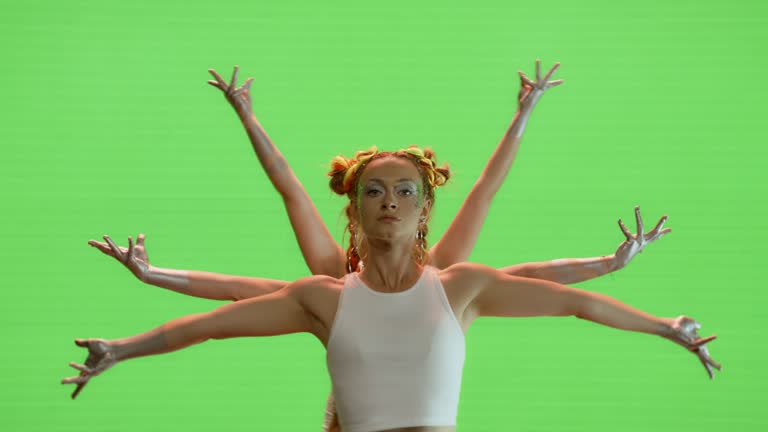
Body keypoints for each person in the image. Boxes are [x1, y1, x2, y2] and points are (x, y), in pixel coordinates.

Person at [78, 62, 674, 431]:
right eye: (374, 193)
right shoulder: (328, 283)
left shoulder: (448, 275)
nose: (389, 203)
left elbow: (531, 265)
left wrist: (607, 264)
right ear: (355, 207)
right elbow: (237, 290)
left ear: (420, 213)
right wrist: (151, 284)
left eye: (403, 193)